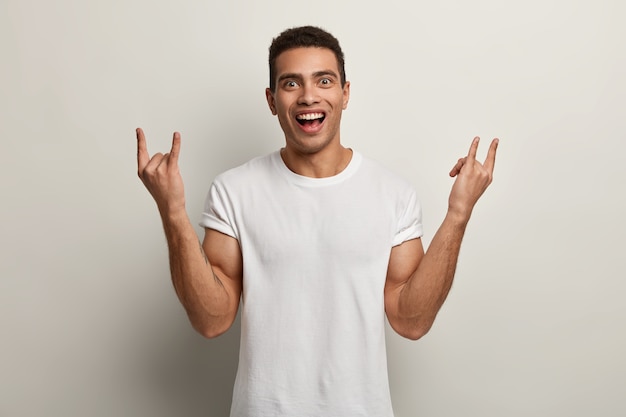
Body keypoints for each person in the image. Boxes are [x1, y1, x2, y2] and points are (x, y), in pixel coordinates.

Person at [136, 25, 498, 417]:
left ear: (345, 93)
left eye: (324, 80)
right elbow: (212, 319)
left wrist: (459, 213)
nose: (309, 95)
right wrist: (172, 212)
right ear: (272, 100)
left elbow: (411, 321)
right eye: (291, 83)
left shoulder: (392, 193)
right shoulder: (234, 190)